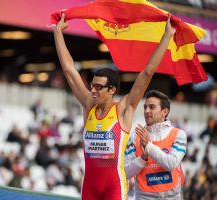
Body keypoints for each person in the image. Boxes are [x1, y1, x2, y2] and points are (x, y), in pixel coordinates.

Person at [54, 13, 175, 200]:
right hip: (89, 187)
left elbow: (147, 72)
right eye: (92, 85)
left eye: (98, 87)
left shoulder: (123, 109)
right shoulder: (88, 105)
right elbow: (69, 70)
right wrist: (58, 33)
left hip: (114, 187)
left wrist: (167, 36)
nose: (93, 90)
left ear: (111, 90)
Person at [124, 90, 187, 200]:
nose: (147, 111)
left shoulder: (178, 134)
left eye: (152, 107)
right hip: (144, 197)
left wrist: (148, 145)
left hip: (173, 197)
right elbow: (125, 173)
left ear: (164, 112)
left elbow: (171, 164)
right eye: (145, 107)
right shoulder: (135, 136)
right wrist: (142, 159)